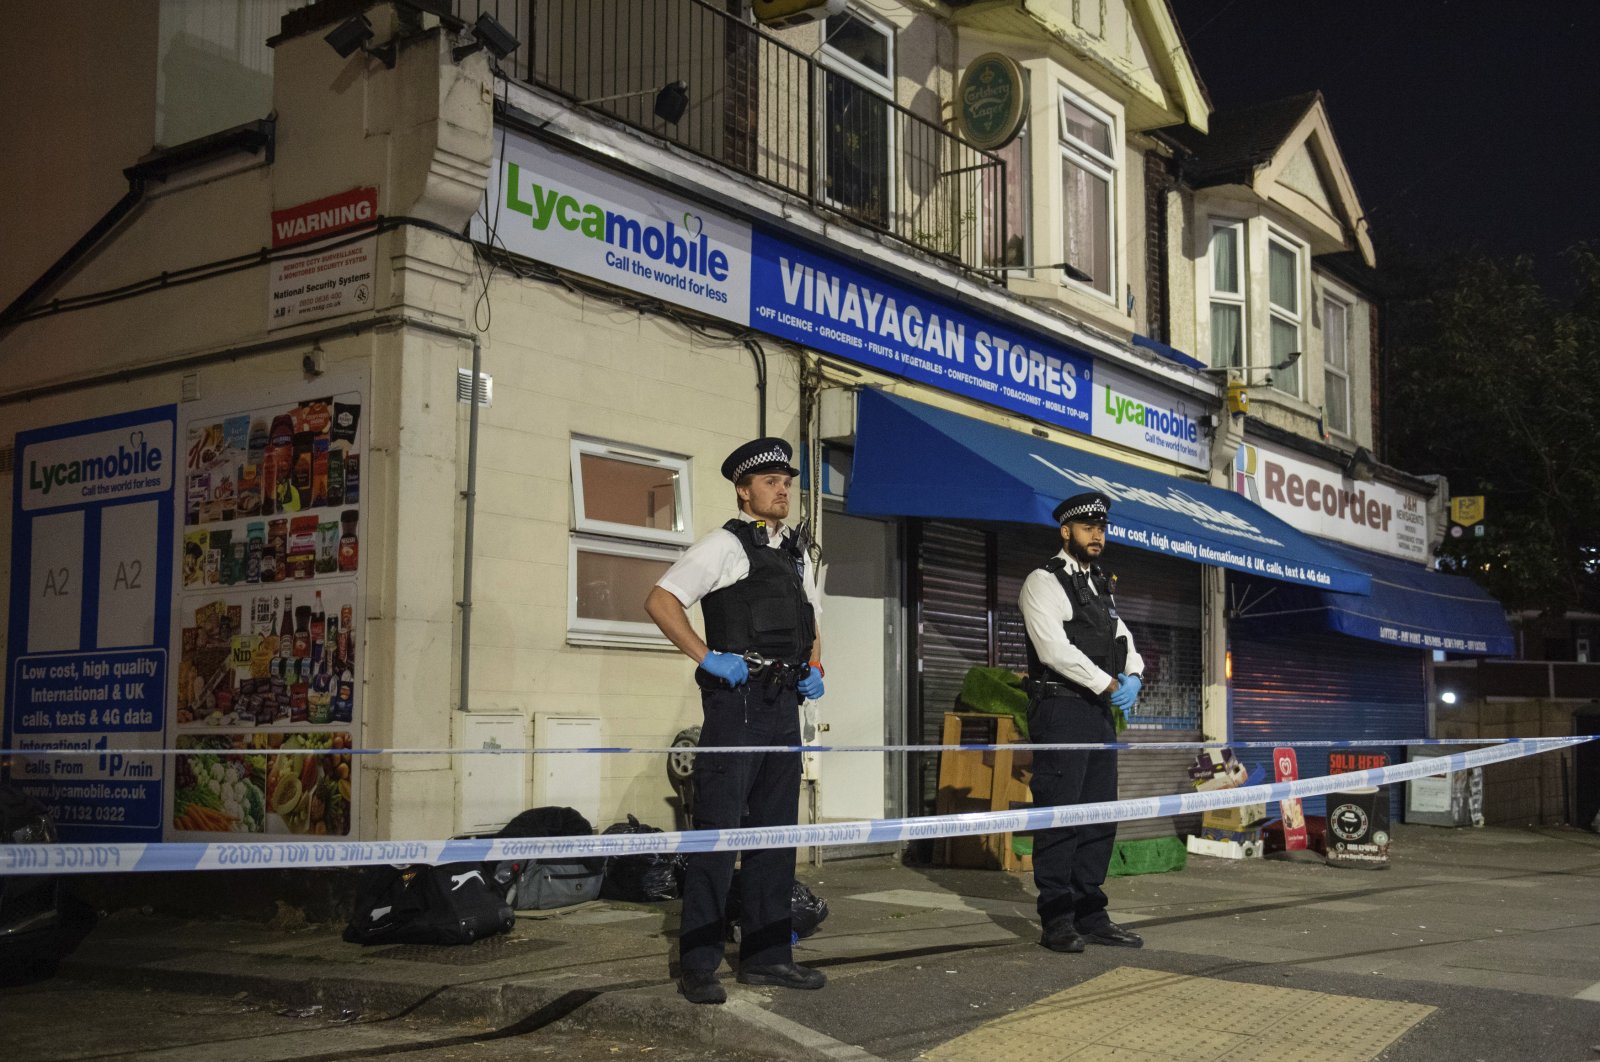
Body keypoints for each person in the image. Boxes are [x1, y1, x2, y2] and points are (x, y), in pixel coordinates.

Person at [643, 436, 828, 1005]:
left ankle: (768, 957)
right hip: (738, 705)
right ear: (744, 491)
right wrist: (707, 657)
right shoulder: (724, 545)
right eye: (770, 481)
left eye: (787, 481)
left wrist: (815, 666)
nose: (783, 489)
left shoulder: (795, 553)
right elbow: (660, 600)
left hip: (782, 706)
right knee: (719, 838)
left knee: (774, 838)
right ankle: (699, 964)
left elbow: (811, 620)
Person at [1018, 490, 1147, 953]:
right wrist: (1112, 686)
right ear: (1066, 531)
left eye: (1102, 528)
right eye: (1089, 527)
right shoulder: (1043, 581)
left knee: (1098, 815)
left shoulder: (1099, 585)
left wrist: (1133, 674)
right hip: (1061, 711)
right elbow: (1054, 651)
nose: (1098, 535)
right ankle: (1057, 918)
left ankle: (1091, 912)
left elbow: (1125, 638)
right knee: (1060, 815)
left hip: (1096, 713)